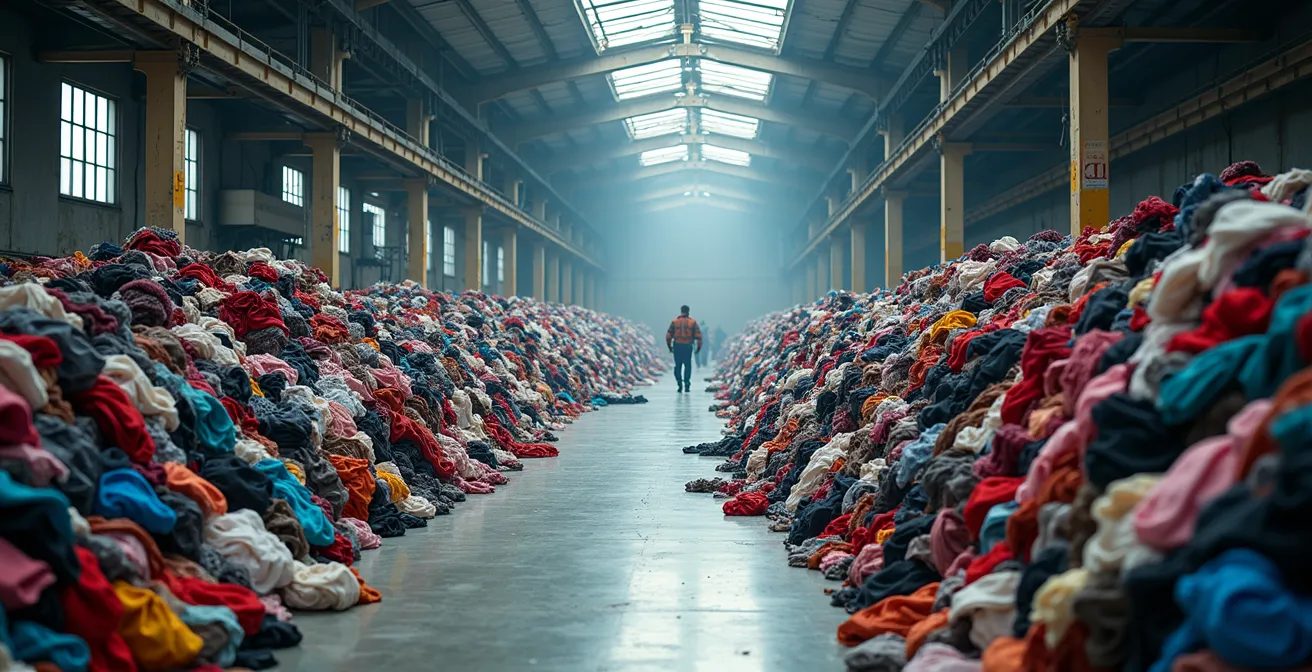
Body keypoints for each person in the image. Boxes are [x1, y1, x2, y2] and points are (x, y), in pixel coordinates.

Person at [665, 305, 702, 393]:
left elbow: (668, 336)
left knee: (678, 365)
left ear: (681, 311)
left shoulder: (674, 322)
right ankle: (687, 384)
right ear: (688, 311)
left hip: (677, 346)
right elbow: (699, 336)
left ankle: (679, 383)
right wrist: (698, 348)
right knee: (687, 365)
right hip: (688, 346)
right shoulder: (693, 322)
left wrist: (670, 347)